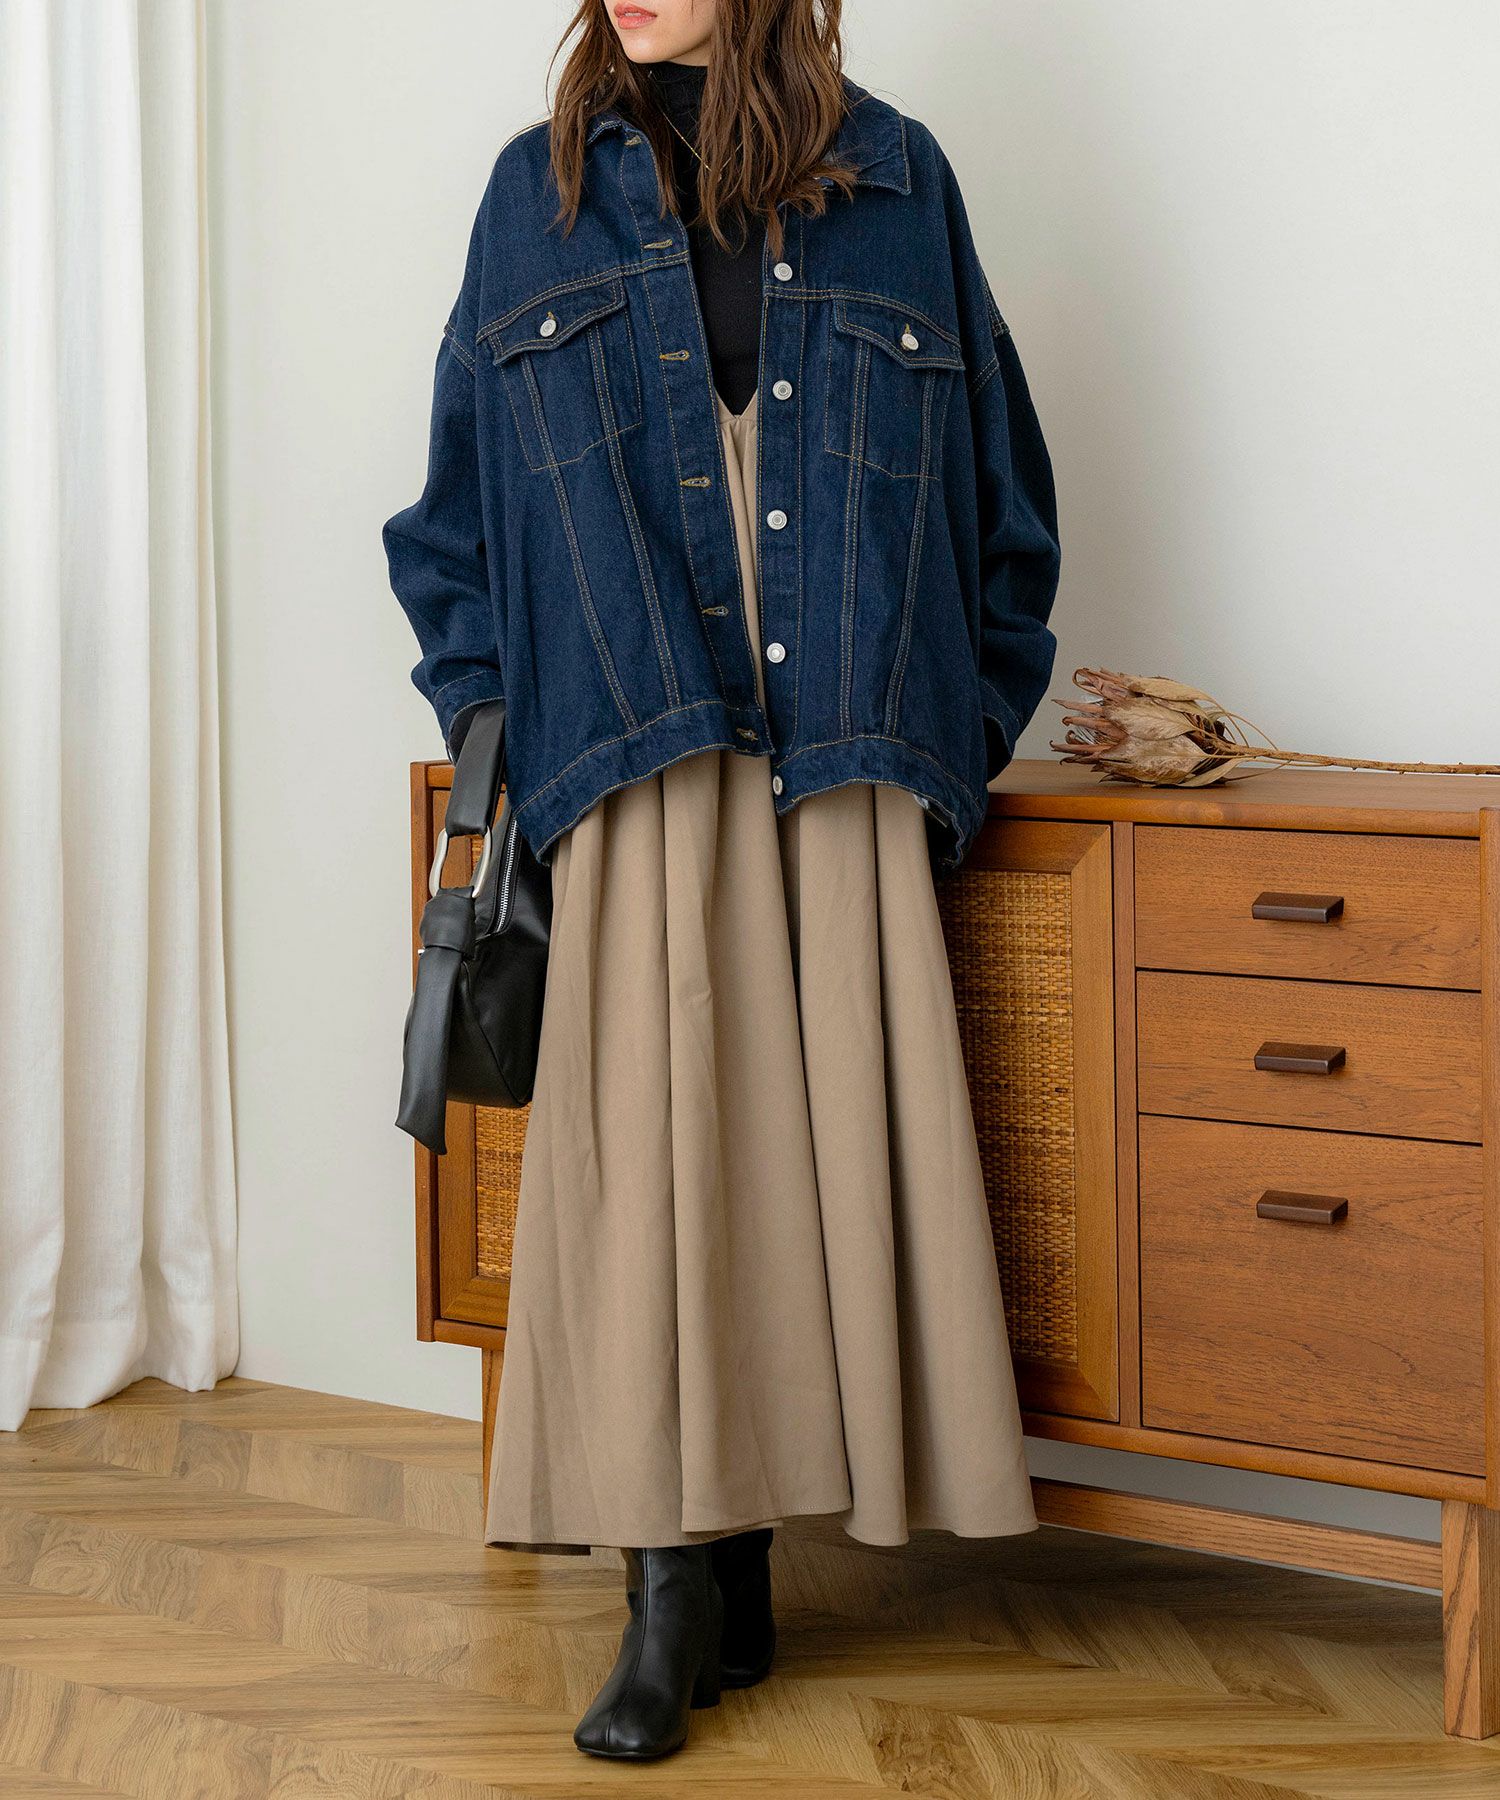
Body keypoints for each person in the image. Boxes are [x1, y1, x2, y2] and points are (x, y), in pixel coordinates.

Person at [384, 0, 1061, 1763]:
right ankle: (670, 1586)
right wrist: (496, 721)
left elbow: (1004, 506)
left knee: (814, 1169)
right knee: (660, 1176)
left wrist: (950, 733)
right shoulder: (531, 200)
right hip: (638, 740)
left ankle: (747, 1563)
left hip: (847, 740)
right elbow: (451, 521)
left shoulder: (899, 180)